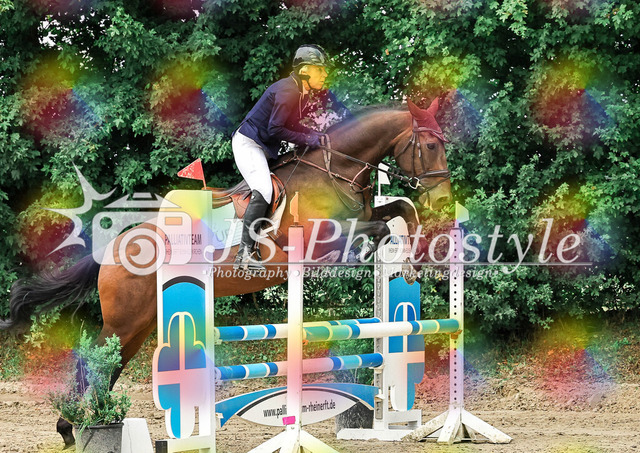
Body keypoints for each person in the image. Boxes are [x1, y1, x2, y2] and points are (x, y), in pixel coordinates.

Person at [232, 44, 350, 271]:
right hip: (249, 144)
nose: (325, 74)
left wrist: (313, 135)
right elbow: (275, 129)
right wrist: (308, 138)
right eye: (320, 69)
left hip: (263, 146)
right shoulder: (289, 91)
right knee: (264, 190)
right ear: (305, 70)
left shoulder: (300, 91)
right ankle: (244, 254)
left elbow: (291, 125)